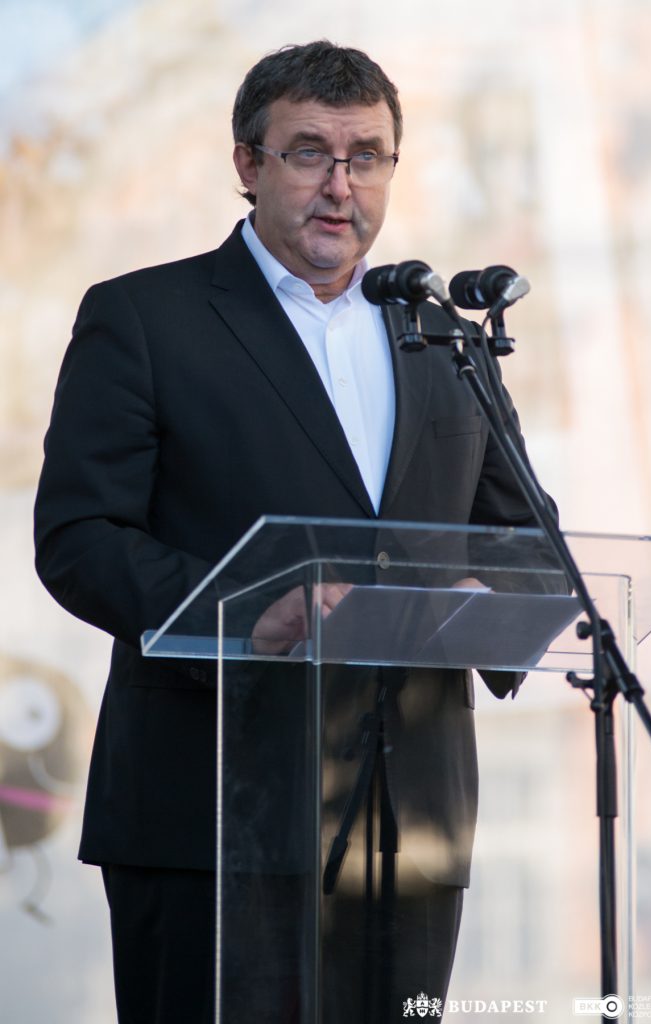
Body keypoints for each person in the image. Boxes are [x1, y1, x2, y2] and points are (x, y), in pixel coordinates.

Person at [34, 41, 553, 1024]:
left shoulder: (442, 335)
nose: (340, 186)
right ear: (247, 163)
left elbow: (528, 540)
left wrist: (486, 603)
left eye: (367, 157)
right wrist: (246, 615)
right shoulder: (144, 317)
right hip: (208, 808)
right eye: (309, 152)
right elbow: (80, 536)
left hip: (409, 818)